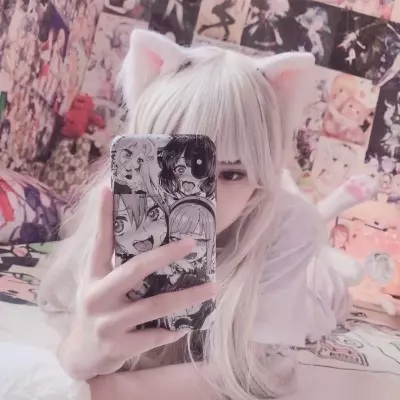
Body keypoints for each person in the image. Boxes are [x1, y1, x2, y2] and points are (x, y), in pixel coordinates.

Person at [38, 30, 348, 400]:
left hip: (310, 282)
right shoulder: (113, 203)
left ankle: (334, 237)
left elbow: (250, 366)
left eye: (231, 174)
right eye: (176, 165)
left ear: (258, 178)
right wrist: (79, 355)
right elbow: (73, 333)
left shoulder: (289, 224)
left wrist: (103, 389)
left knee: (328, 271)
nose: (203, 200)